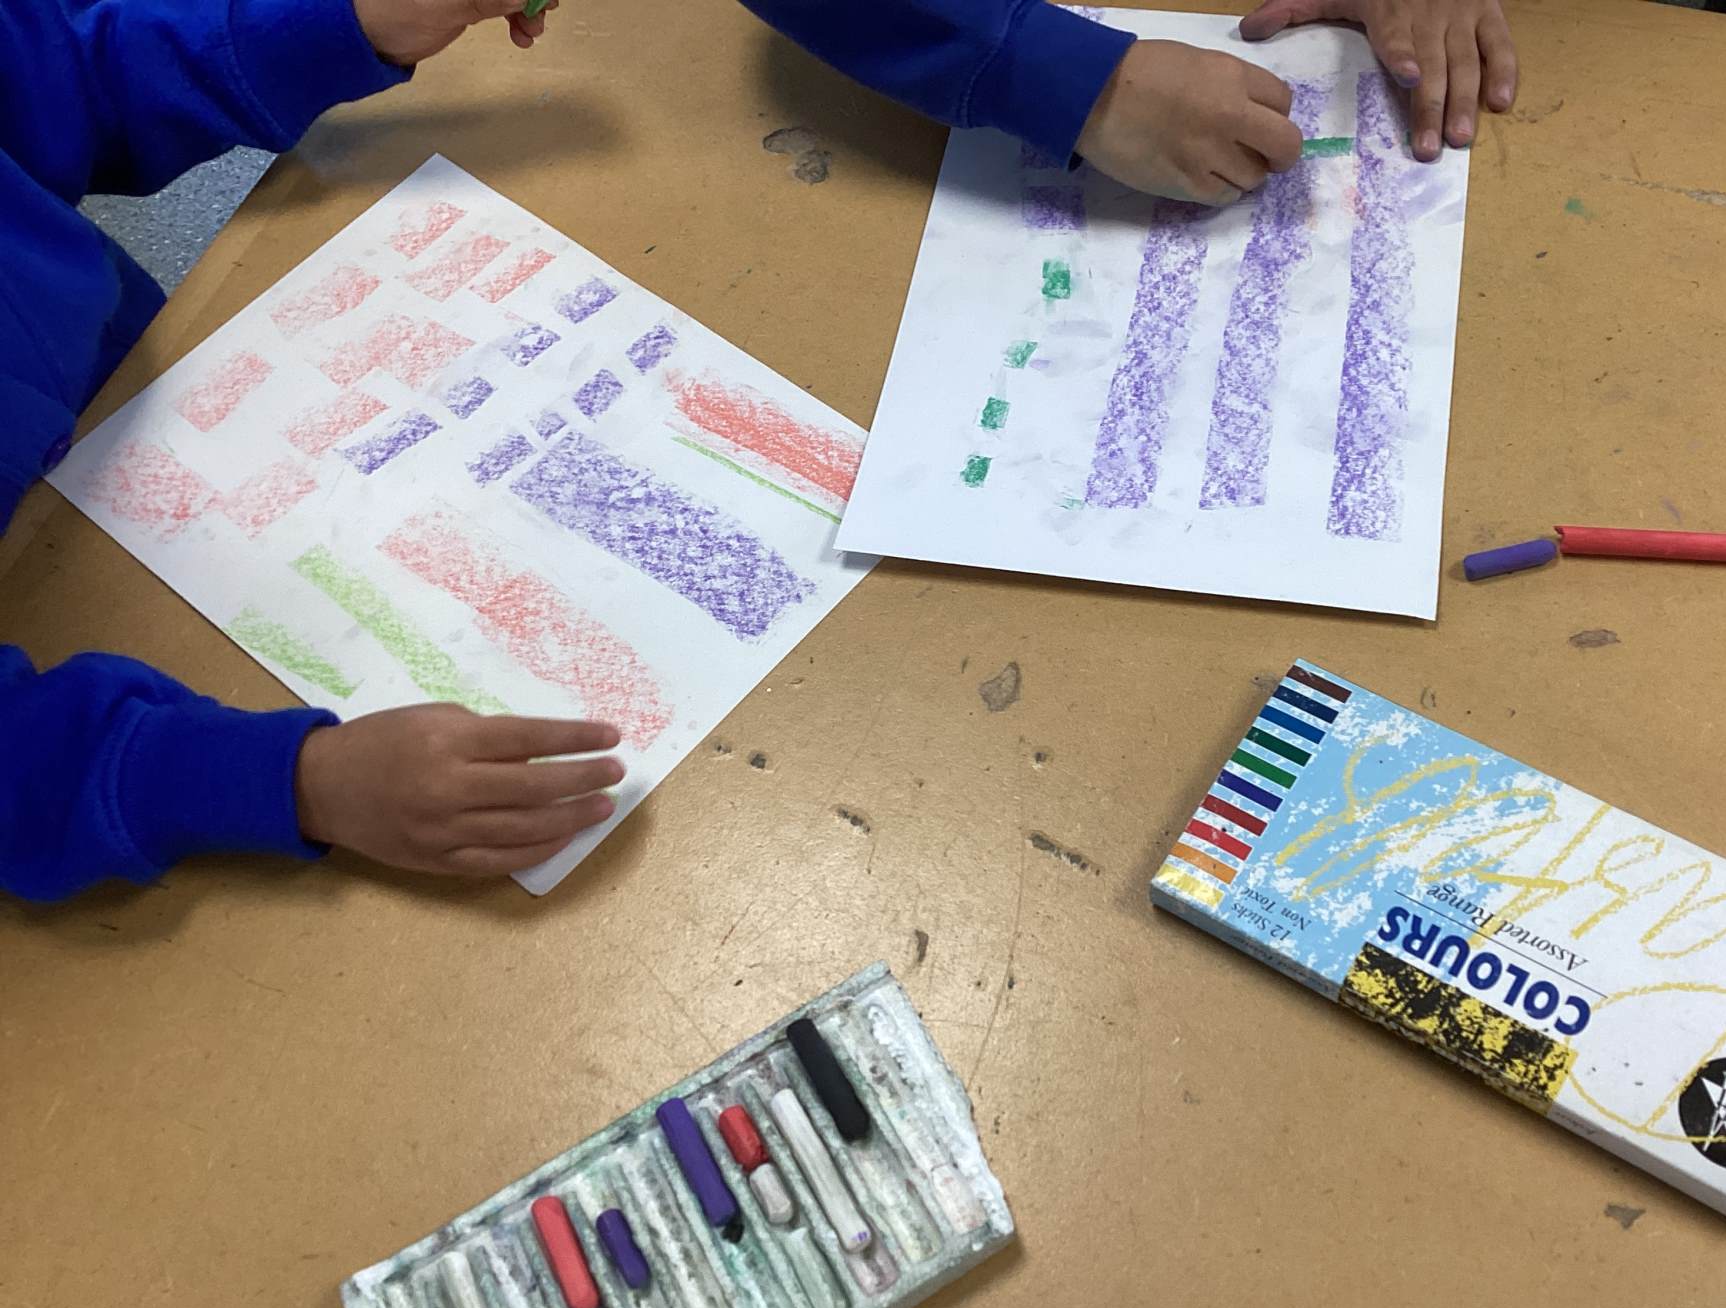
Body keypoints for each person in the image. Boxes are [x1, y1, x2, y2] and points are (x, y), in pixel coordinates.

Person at [0, 0, 1516, 902]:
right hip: (138, 624)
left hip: (131, 397)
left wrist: (329, 23)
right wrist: (274, 783)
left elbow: (62, 80)